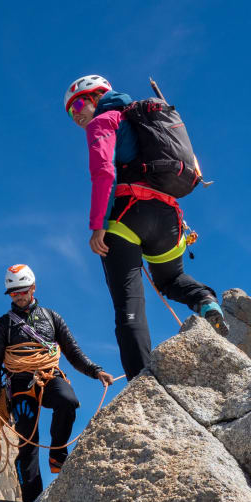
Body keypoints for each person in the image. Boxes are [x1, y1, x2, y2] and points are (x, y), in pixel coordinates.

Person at [64, 74, 228, 381]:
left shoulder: (105, 120)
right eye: (71, 112)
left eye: (80, 104)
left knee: (129, 306)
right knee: (171, 280)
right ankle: (205, 302)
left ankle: (142, 383)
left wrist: (98, 226)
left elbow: (103, 172)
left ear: (99, 97)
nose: (77, 116)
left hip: (127, 216)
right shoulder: (148, 118)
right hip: (169, 218)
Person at [0, 264, 114, 502]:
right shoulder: (3, 326)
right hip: (20, 383)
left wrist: (96, 371)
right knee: (28, 440)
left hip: (48, 375)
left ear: (33, 288)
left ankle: (57, 455)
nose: (19, 296)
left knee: (68, 401)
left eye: (23, 291)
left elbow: (73, 352)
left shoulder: (52, 318)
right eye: (14, 293)